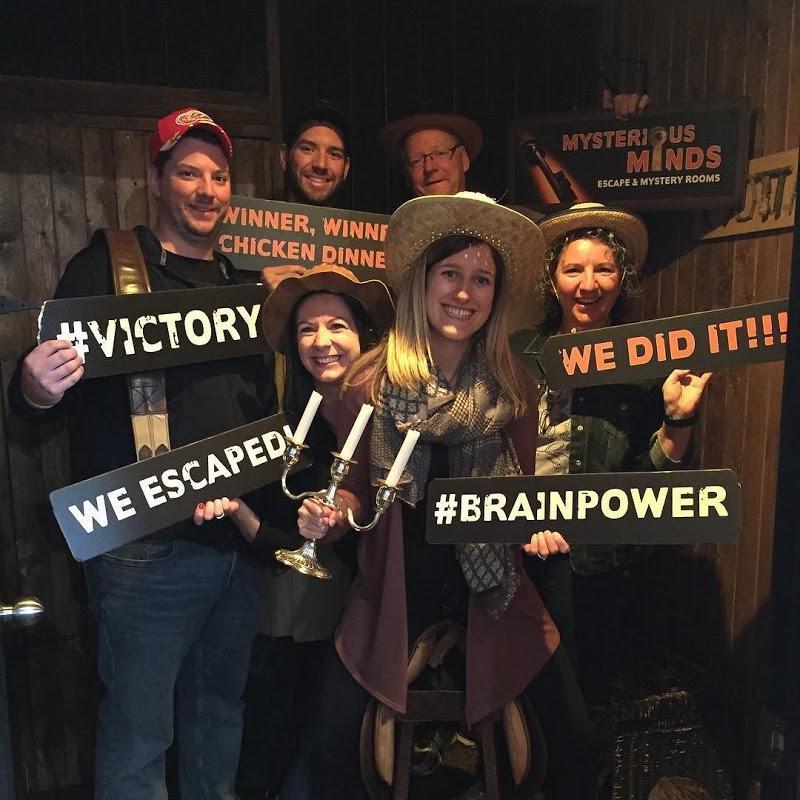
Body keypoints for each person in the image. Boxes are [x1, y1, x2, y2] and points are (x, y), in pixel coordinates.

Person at [8, 108, 277, 800]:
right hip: (147, 552)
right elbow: (37, 401)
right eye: (188, 172)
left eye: (219, 177)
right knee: (138, 738)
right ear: (155, 179)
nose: (207, 190)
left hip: (237, 543)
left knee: (219, 722)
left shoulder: (245, 287)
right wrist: (34, 387)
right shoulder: (104, 268)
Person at [297, 191, 598, 799]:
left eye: (481, 279)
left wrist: (535, 528)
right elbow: (355, 492)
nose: (464, 293)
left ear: (496, 295)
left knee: (577, 750)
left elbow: (522, 499)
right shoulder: (368, 383)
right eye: (451, 274)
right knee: (329, 756)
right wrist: (331, 515)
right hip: (393, 594)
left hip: (492, 592)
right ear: (423, 283)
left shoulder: (515, 387)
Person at [197, 265, 393, 799]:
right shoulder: (282, 420)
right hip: (286, 612)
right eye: (308, 329)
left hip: (363, 609)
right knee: (274, 737)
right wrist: (239, 513)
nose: (322, 341)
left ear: (363, 336)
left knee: (329, 747)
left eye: (337, 326)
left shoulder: (389, 415)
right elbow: (276, 533)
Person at [510, 202, 711, 704]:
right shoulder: (517, 351)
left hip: (597, 561)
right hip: (515, 551)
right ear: (552, 278)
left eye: (603, 269)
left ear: (622, 279)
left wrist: (678, 418)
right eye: (573, 269)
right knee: (519, 699)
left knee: (587, 698)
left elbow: (654, 480)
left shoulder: (649, 362)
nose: (588, 284)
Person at [262, 102, 354, 291]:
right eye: (308, 149)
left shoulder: (365, 249)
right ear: (284, 157)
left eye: (334, 154)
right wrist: (262, 294)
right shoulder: (250, 240)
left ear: (346, 169)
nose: (321, 164)